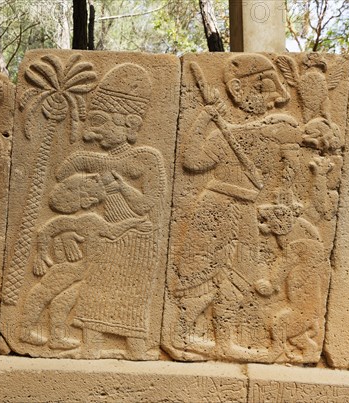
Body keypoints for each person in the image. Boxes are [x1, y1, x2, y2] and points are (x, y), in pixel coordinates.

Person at [170, 54, 302, 361]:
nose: (273, 102)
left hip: (244, 211)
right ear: (242, 89)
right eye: (266, 93)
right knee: (204, 273)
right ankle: (179, 334)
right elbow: (192, 162)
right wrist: (205, 116)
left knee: (238, 277)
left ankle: (223, 342)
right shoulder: (223, 137)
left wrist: (283, 189)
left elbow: (290, 168)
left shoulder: (277, 130)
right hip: (215, 207)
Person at [55, 63, 166, 359]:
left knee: (132, 295)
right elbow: (67, 171)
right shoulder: (100, 161)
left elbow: (146, 205)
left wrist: (120, 186)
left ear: (130, 124)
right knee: (95, 292)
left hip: (139, 240)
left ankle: (137, 349)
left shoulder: (147, 158)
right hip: (107, 235)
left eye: (102, 123)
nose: (93, 134)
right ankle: (91, 348)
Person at [20, 174, 151, 350]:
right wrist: (41, 256)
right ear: (86, 200)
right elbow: (111, 232)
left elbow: (48, 230)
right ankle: (25, 330)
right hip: (74, 269)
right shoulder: (89, 220)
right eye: (91, 182)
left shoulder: (88, 218)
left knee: (62, 302)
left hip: (85, 272)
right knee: (43, 293)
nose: (97, 178)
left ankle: (56, 338)